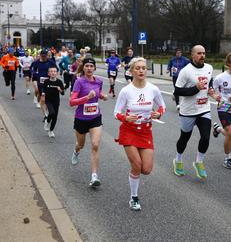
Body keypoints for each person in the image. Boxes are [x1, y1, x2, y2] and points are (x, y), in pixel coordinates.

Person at [114, 57, 166, 211]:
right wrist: (125, 117)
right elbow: (116, 112)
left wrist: (159, 114)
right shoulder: (126, 91)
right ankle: (134, 198)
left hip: (145, 131)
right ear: (131, 71)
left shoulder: (153, 89)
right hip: (129, 130)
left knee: (147, 169)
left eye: (144, 68)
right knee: (137, 166)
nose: (141, 70)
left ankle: (134, 177)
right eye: (138, 68)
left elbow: (162, 106)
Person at [172, 45, 214, 179]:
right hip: (188, 111)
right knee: (185, 138)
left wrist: (211, 89)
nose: (202, 56)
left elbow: (209, 80)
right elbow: (177, 91)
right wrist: (195, 89)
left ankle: (199, 162)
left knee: (206, 137)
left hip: (204, 108)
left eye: (204, 53)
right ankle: (178, 160)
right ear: (193, 55)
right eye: (199, 53)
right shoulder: (185, 71)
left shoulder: (209, 68)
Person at [69, 58, 108, 187]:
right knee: (81, 144)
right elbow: (71, 102)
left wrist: (102, 96)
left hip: (95, 118)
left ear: (95, 68)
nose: (89, 68)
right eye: (87, 66)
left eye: (92, 66)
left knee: (95, 145)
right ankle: (76, 151)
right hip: (81, 119)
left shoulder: (99, 82)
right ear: (83, 68)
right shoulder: (79, 82)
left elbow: (98, 93)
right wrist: (87, 98)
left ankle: (94, 176)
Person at [31, 49, 57, 118]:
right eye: (42, 56)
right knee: (43, 99)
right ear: (40, 56)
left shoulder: (50, 62)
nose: (43, 57)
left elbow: (56, 69)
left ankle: (47, 112)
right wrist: (35, 74)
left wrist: (54, 75)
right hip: (41, 84)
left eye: (45, 56)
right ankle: (45, 115)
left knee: (49, 99)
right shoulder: (36, 62)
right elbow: (33, 70)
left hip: (49, 82)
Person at [42, 66, 64, 138]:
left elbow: (63, 93)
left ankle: (51, 131)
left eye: (54, 71)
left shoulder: (59, 82)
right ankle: (47, 122)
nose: (53, 73)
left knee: (55, 117)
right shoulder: (46, 81)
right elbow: (43, 88)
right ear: (48, 73)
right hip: (48, 100)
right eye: (51, 71)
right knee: (51, 112)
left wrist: (60, 89)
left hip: (56, 101)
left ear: (57, 73)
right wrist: (43, 93)